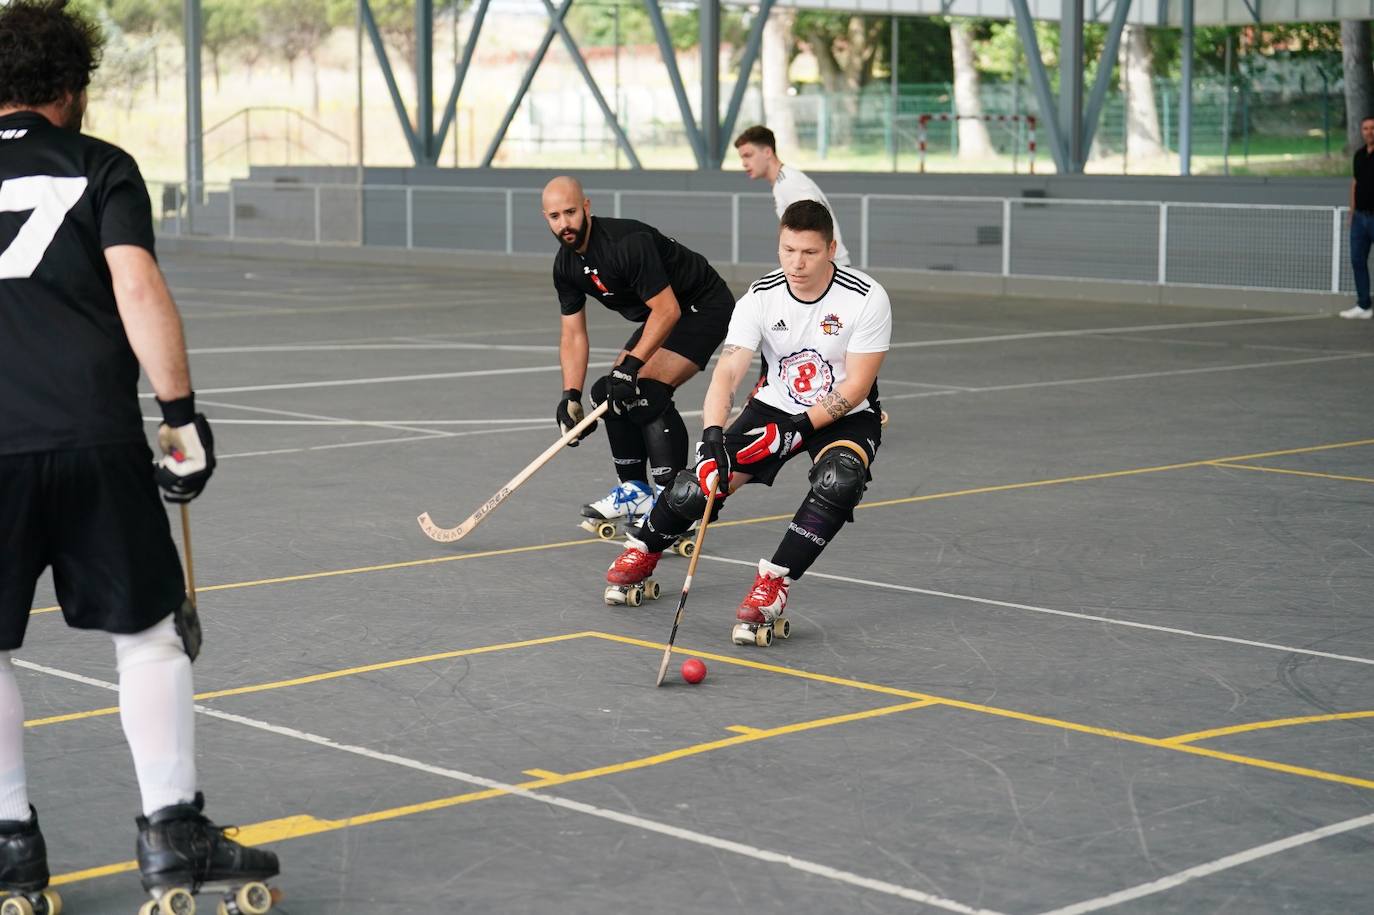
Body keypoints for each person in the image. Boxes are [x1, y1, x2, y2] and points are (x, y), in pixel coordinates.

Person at [0, 1, 278, 909]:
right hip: (90, 430)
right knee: (149, 635)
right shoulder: (101, 163)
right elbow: (136, 284)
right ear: (71, 90)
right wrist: (183, 417)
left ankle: (10, 849)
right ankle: (172, 840)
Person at [603, 200, 890, 645]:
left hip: (843, 414)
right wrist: (713, 431)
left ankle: (773, 583)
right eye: (788, 249)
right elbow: (728, 372)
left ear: (831, 248)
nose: (797, 262)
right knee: (699, 482)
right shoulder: (761, 296)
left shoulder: (866, 297)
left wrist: (797, 431)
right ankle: (644, 548)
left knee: (839, 480)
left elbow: (856, 387)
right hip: (775, 405)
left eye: (809, 252)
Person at [544, 176, 736, 547]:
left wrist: (629, 367)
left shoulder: (625, 244)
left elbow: (667, 310)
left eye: (570, 212)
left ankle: (675, 503)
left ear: (586, 207)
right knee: (607, 394)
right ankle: (634, 491)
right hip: (663, 312)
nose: (564, 223)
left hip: (702, 305)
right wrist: (571, 395)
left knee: (644, 390)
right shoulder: (565, 265)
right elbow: (573, 334)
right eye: (554, 216)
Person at [734, 125, 851, 267]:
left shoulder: (788, 183)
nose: (744, 163)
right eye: (742, 158)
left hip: (830, 269)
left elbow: (815, 226)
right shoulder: (783, 182)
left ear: (767, 152)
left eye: (748, 155)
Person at [1344, 115, 1374, 320]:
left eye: (1373, 128)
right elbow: (1355, 183)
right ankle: (1364, 305)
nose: (1369, 132)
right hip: (1360, 218)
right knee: (1357, 259)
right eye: (1365, 128)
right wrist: (1352, 211)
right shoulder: (1359, 155)